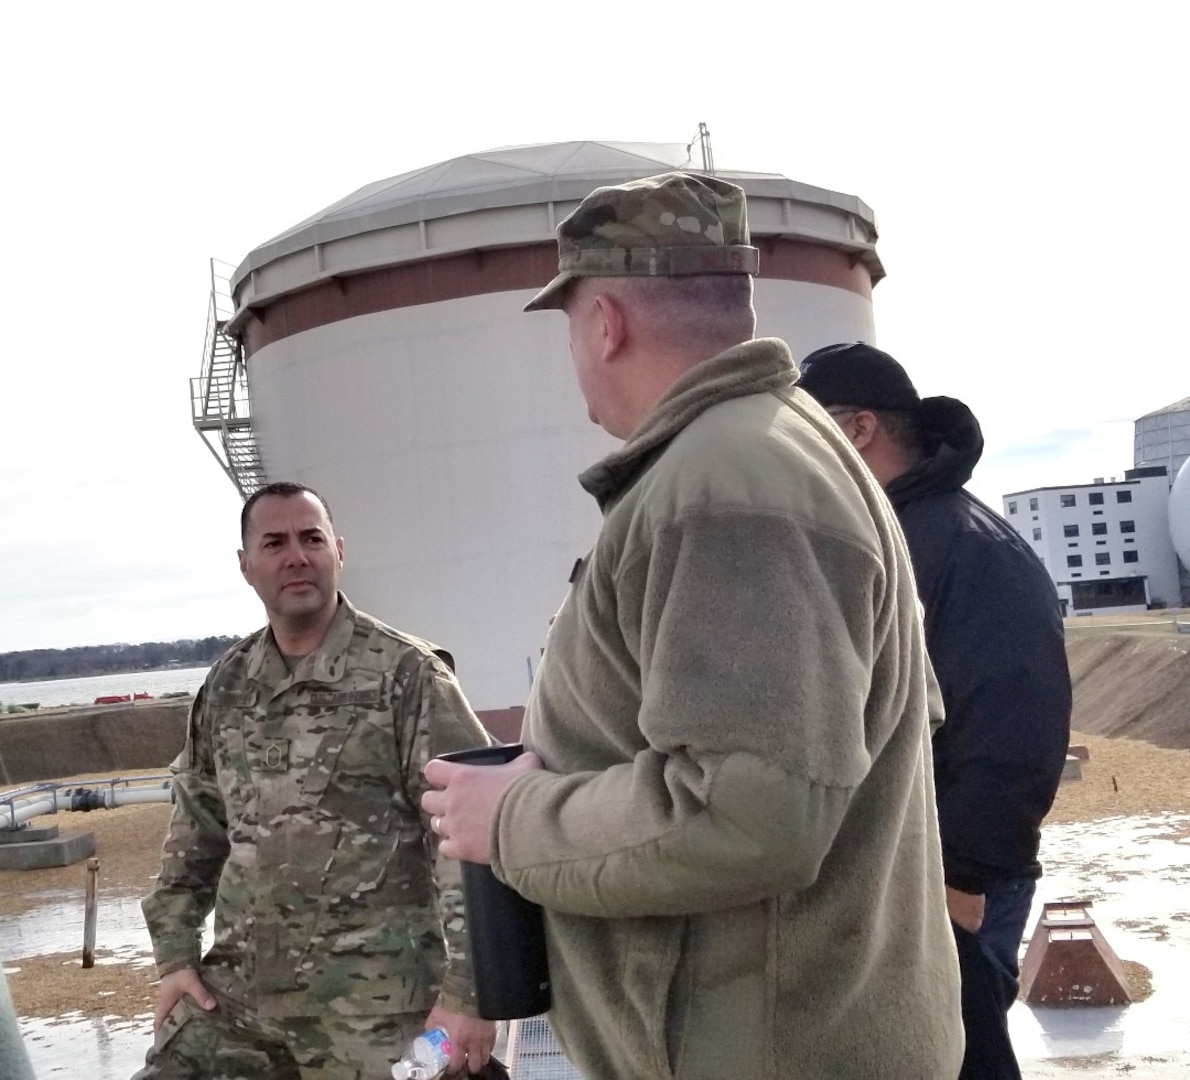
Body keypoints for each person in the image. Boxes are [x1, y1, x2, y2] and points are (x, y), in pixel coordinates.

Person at [421, 173, 964, 1079]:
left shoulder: (727, 486)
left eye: (569, 327)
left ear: (604, 322)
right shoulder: (775, 451)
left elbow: (750, 816)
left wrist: (511, 818)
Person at [135, 481, 497, 1080]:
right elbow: (195, 834)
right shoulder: (226, 686)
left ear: (339, 552)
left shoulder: (407, 677)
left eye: (312, 538)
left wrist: (470, 994)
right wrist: (174, 958)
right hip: (244, 1003)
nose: (296, 556)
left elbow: (476, 840)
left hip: (379, 1011)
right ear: (247, 566)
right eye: (274, 542)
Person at [798, 342, 1072, 1080]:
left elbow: (1015, 724)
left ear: (858, 431)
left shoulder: (965, 546)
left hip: (950, 877)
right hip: (907, 870)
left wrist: (963, 877)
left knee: (953, 1060)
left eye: (804, 428)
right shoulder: (893, 537)